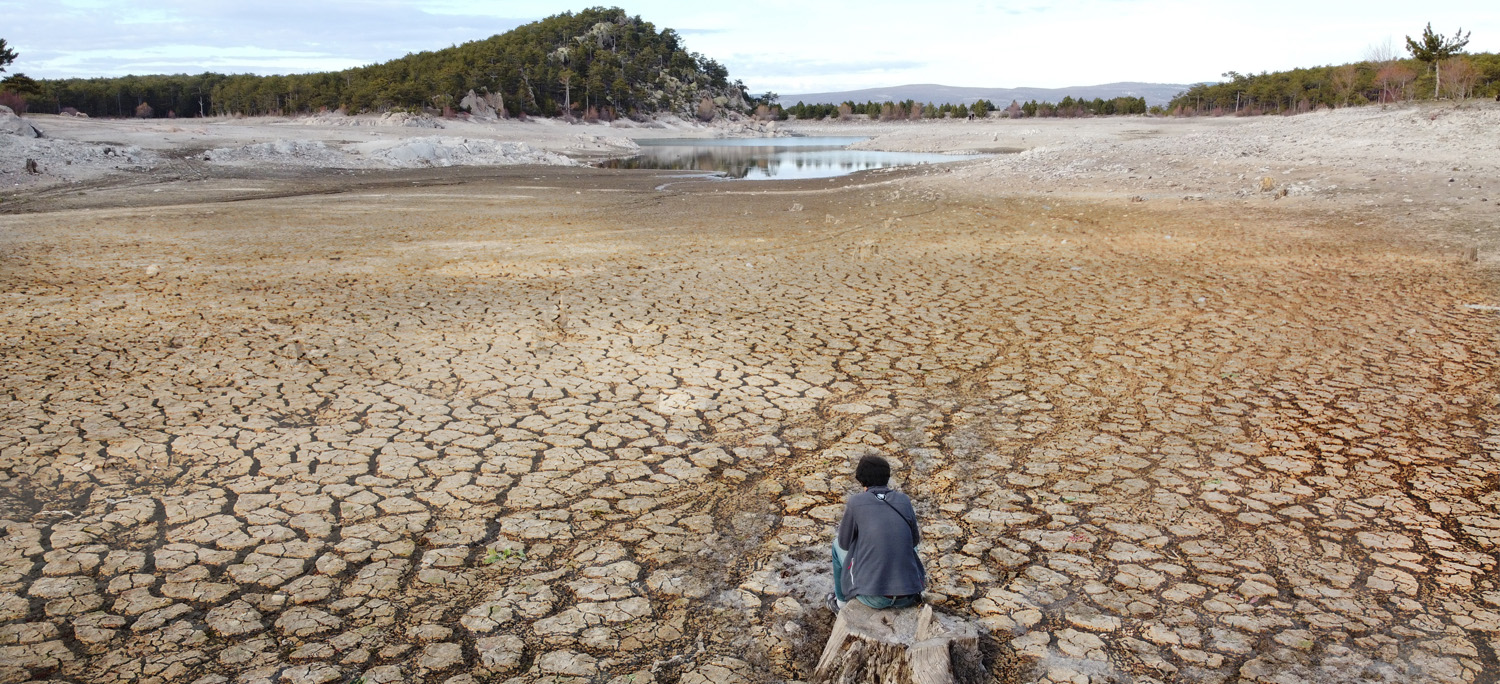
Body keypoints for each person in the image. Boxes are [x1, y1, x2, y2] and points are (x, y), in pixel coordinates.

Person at [828, 455, 925, 611]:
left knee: (835, 546)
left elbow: (844, 543)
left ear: (861, 478)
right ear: (887, 476)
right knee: (907, 546)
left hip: (873, 597)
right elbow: (914, 541)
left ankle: (841, 603)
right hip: (908, 596)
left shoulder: (856, 502)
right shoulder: (904, 500)